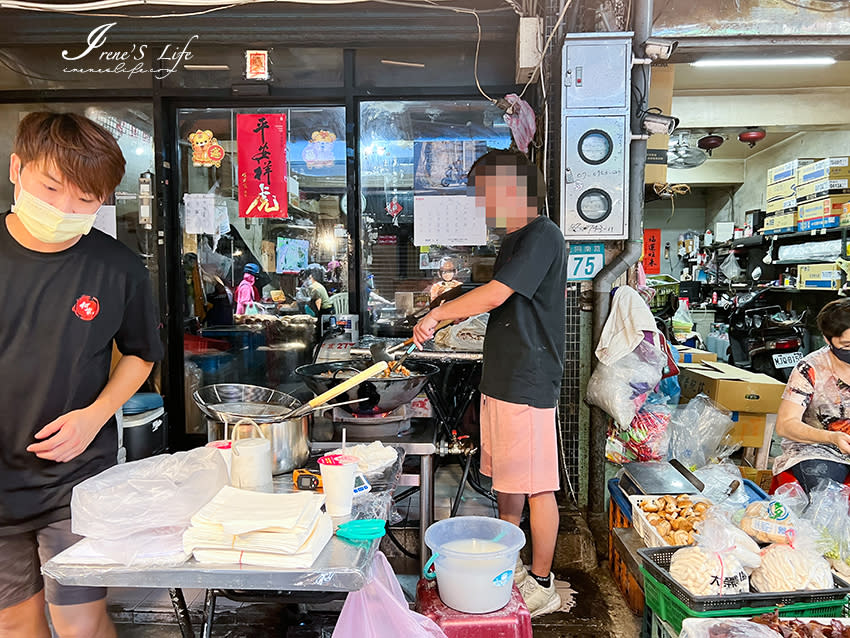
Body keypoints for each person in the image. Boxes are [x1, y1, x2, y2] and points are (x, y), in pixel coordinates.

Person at [0, 112, 163, 638]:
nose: (65, 210)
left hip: (74, 480)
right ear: (15, 170)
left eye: (86, 200)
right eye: (50, 188)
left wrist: (95, 417)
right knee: (14, 624)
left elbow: (140, 355)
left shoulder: (117, 267)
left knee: (82, 625)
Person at [413, 149, 567, 617]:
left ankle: (543, 581)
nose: (482, 204)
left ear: (512, 188)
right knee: (508, 481)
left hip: (528, 378)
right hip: (502, 378)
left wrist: (439, 313)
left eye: (484, 193)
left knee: (538, 484)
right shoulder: (514, 240)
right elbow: (499, 296)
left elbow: (499, 293)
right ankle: (513, 562)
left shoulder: (544, 234)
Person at [774, 299, 850, 493]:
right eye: (847, 345)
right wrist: (831, 437)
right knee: (826, 494)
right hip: (819, 450)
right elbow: (785, 424)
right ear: (827, 338)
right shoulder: (810, 368)